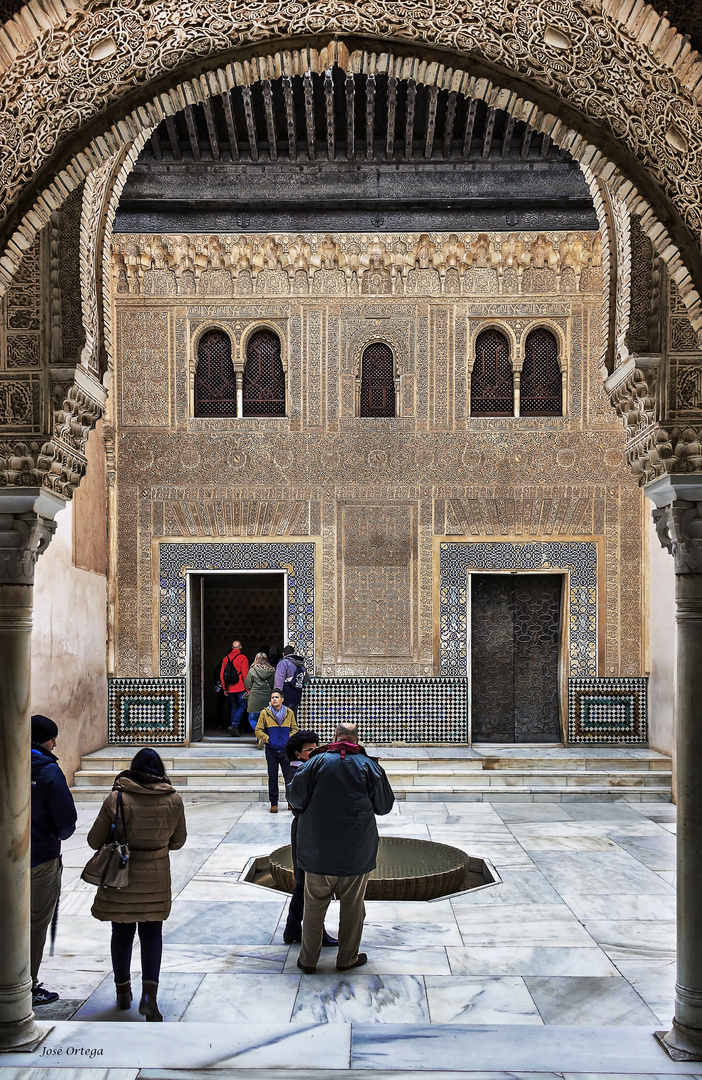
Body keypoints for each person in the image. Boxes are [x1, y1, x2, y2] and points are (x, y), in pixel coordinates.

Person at [87, 747, 186, 1021]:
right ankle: (149, 999)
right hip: (155, 876)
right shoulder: (173, 799)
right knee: (152, 934)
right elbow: (178, 842)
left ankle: (123, 992)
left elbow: (94, 841)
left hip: (121, 877)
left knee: (121, 933)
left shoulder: (116, 798)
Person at [288, 722, 394, 974]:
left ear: (334, 737)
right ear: (356, 741)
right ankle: (347, 958)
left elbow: (295, 798)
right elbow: (384, 805)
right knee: (353, 908)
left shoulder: (315, 763)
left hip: (317, 851)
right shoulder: (369, 766)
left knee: (313, 906)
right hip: (355, 854)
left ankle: (308, 960)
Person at [30, 714, 77, 1006]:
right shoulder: (48, 772)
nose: (55, 743)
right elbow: (67, 822)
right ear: (41, 740)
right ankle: (25, 986)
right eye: (51, 738)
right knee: (35, 923)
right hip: (41, 859)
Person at [282, 730, 337, 948]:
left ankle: (293, 928)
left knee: (303, 882)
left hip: (306, 829)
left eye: (316, 747)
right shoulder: (300, 771)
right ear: (298, 753)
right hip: (308, 830)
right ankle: (315, 932)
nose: (314, 752)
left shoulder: (305, 768)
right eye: (310, 749)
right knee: (312, 883)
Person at [255, 690, 298, 813]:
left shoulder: (289, 713)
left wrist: (289, 738)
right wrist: (268, 739)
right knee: (272, 777)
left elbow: (294, 728)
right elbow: (258, 730)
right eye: (272, 697)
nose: (274, 699)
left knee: (288, 777)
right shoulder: (265, 713)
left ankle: (290, 802)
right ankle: (274, 803)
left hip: (285, 751)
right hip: (271, 750)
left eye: (277, 697)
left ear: (282, 699)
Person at [220, 639, 249, 737]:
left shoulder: (225, 658)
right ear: (240, 647)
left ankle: (233, 727)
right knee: (243, 706)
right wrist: (248, 688)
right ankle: (234, 724)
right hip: (241, 686)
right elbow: (245, 674)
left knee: (234, 707)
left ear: (232, 647)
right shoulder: (243, 658)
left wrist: (224, 688)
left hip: (230, 687)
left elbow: (222, 675)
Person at [274, 644, 310, 720]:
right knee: (293, 717)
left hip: (286, 694)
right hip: (297, 694)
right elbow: (306, 679)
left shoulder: (283, 663)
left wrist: (276, 695)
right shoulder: (301, 665)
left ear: (283, 654)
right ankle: (294, 731)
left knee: (284, 718)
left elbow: (279, 680)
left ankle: (286, 732)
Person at [244, 651, 276, 733]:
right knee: (266, 720)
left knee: (252, 718)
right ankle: (264, 735)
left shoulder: (252, 670)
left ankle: (260, 734)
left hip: (254, 698)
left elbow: (247, 685)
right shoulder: (271, 670)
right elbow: (273, 684)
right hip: (267, 697)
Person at [212, 662, 227, 730]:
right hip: (233, 688)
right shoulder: (237, 662)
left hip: (220, 687)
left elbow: (216, 676)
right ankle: (234, 725)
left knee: (220, 706)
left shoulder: (222, 663)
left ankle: (219, 724)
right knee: (234, 706)